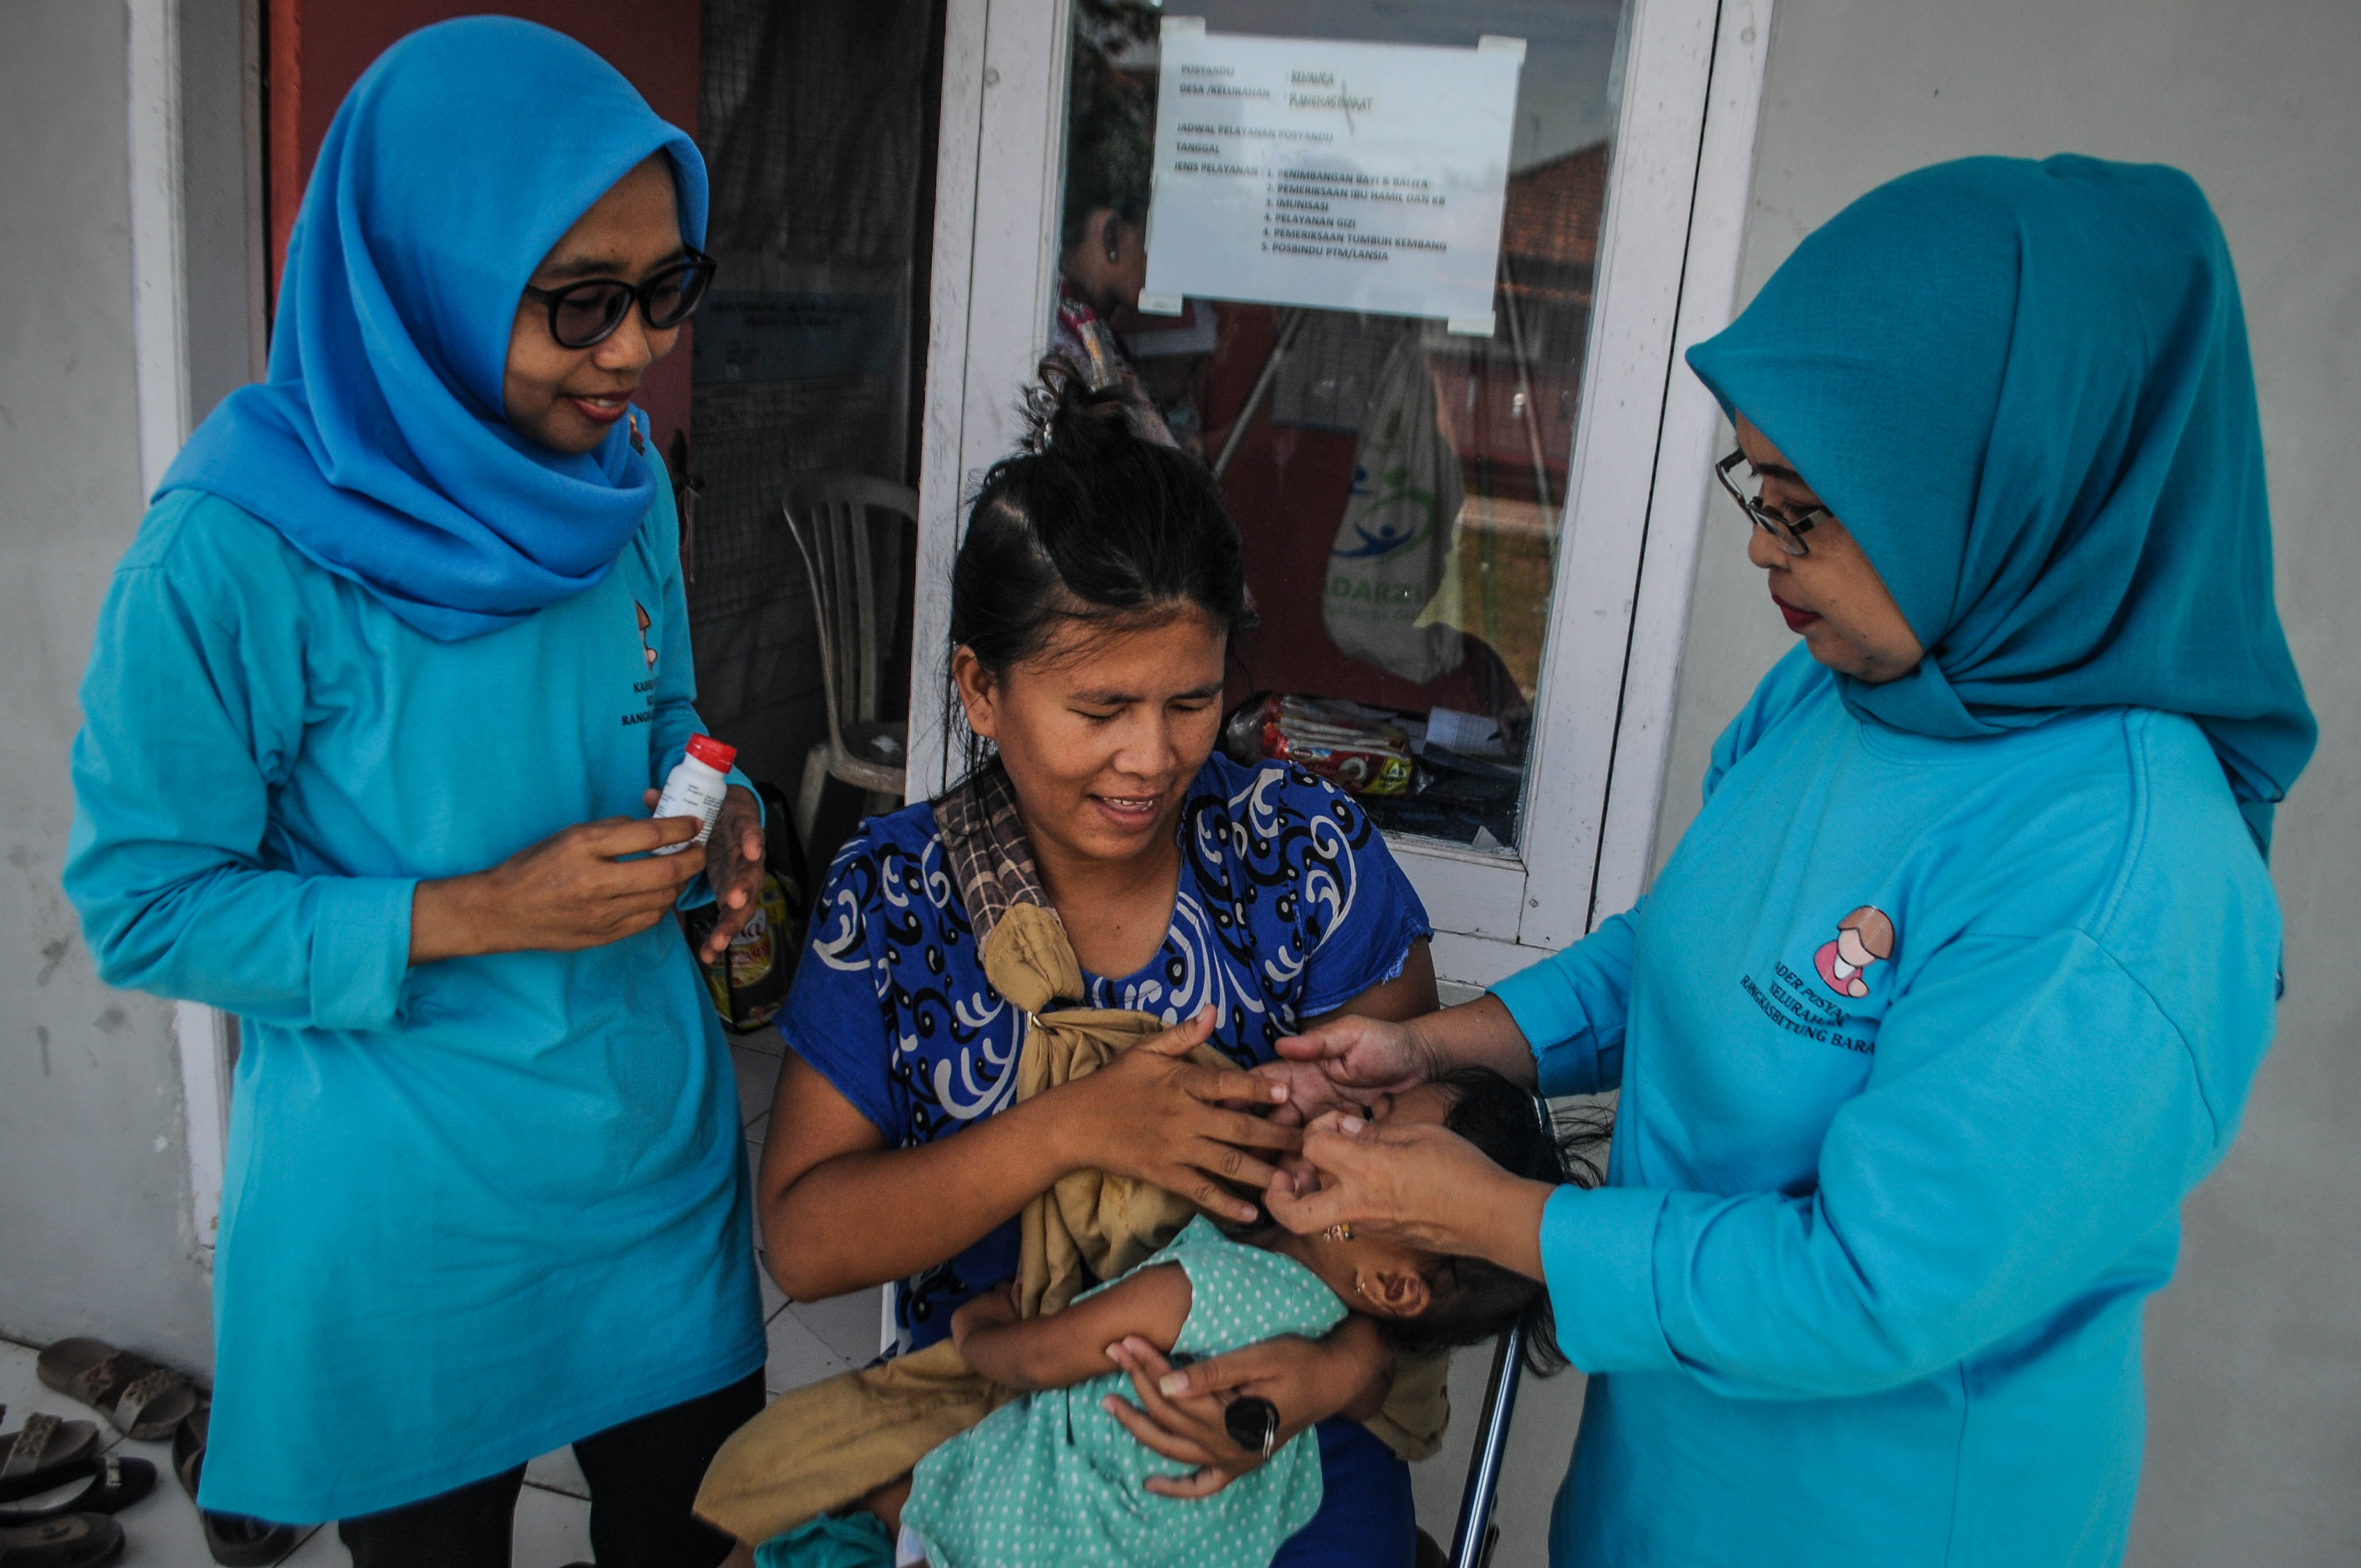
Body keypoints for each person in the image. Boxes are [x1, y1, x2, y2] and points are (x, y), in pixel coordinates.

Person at [1170, 155, 2317, 1566]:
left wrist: (1493, 1216)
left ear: (2007, 490)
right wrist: (1441, 1047)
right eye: (1756, 490)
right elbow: (1684, 952)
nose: (1767, 551)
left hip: (1880, 1520)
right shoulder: (1843, 693)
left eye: (1807, 509)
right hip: (1663, 1478)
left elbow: (1867, 1286)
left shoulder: (2126, 871)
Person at [63, 20, 769, 1565]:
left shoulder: (618, 485)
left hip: (645, 1159)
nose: (634, 352)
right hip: (403, 1209)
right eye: (580, 301)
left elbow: (660, 710)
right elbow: (146, 905)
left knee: (701, 1533)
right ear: (423, 278)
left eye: (666, 289)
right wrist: (478, 910)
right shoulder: (237, 547)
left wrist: (718, 810)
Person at [758, 371, 1437, 1566]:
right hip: (1001, 1402)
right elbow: (807, 1243)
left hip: (1272, 1412)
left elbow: (1429, 1213)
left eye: (1192, 701)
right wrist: (1074, 1129)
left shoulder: (1304, 860)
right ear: (981, 688)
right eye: (1101, 707)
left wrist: (1332, 1375)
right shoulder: (899, 895)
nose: (1151, 757)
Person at [762, 1070, 1584, 1567]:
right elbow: (1369, 1384)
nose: (1341, 1122)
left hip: (1018, 1535)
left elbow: (1043, 1359)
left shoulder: (1208, 1287)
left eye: (1377, 1142)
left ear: (1397, 1289)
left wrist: (978, 1333)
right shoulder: (1339, 1348)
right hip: (1137, 1548)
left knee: (859, 1506)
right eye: (1370, 1111)